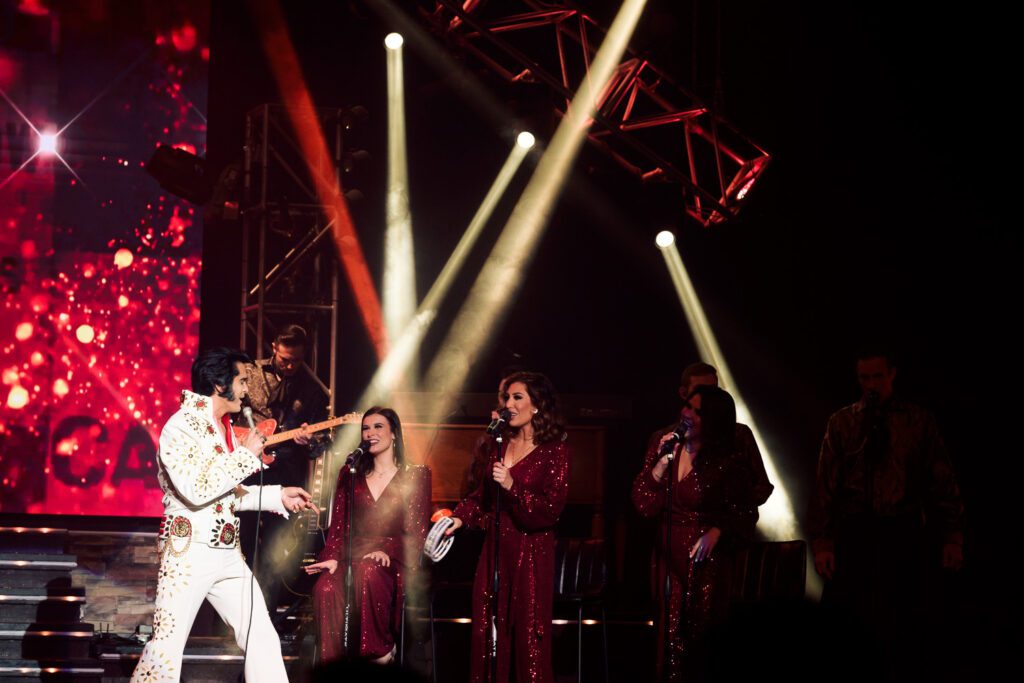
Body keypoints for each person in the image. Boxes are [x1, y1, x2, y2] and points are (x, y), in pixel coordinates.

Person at [130, 347, 317, 683]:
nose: (247, 389)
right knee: (166, 649)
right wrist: (246, 457)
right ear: (219, 384)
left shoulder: (225, 428)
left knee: (262, 635)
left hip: (227, 554)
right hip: (188, 552)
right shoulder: (180, 426)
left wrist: (278, 495)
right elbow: (196, 489)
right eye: (242, 380)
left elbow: (226, 495)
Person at [806, 350, 964, 675]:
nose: (871, 384)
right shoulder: (843, 422)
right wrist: (822, 542)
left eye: (877, 376)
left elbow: (942, 479)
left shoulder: (918, 420)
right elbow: (825, 486)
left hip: (903, 532)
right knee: (848, 626)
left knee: (904, 623)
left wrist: (953, 534)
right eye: (864, 378)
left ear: (892, 374)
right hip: (855, 533)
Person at [446, 371, 570, 683]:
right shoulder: (497, 445)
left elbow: (550, 511)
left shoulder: (554, 450)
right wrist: (459, 518)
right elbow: (481, 499)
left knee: (528, 634)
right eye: (507, 398)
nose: (509, 404)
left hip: (530, 551)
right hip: (496, 549)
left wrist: (513, 485)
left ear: (537, 405)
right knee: (486, 630)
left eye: (518, 398)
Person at [631, 384, 755, 682]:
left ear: (713, 418)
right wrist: (660, 466)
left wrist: (718, 530)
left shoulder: (727, 461)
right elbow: (643, 504)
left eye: (697, 411)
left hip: (705, 560)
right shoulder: (664, 448)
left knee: (701, 632)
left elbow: (746, 512)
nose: (687, 414)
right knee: (667, 632)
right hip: (666, 554)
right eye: (687, 406)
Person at [305, 407, 432, 664]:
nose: (370, 433)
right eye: (365, 428)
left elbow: (417, 532)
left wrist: (389, 552)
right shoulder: (350, 474)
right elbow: (339, 525)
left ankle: (380, 654)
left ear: (394, 433)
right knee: (325, 588)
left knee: (369, 570)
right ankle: (332, 666)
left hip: (393, 558)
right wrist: (331, 557)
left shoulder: (415, 476)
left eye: (378, 427)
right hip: (353, 556)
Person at [238, 324, 329, 608]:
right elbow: (229, 413)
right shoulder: (250, 373)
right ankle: (236, 610)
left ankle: (267, 610)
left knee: (277, 550)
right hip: (248, 470)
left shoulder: (313, 391)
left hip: (287, 477)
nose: (289, 365)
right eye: (284, 359)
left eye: (296, 361)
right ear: (274, 348)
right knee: (243, 543)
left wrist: (309, 440)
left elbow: (322, 444)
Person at [644, 362, 773, 517]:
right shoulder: (663, 437)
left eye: (713, 390)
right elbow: (645, 498)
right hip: (674, 535)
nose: (710, 398)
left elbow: (762, 487)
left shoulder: (738, 434)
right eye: (701, 391)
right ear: (684, 394)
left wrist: (728, 516)